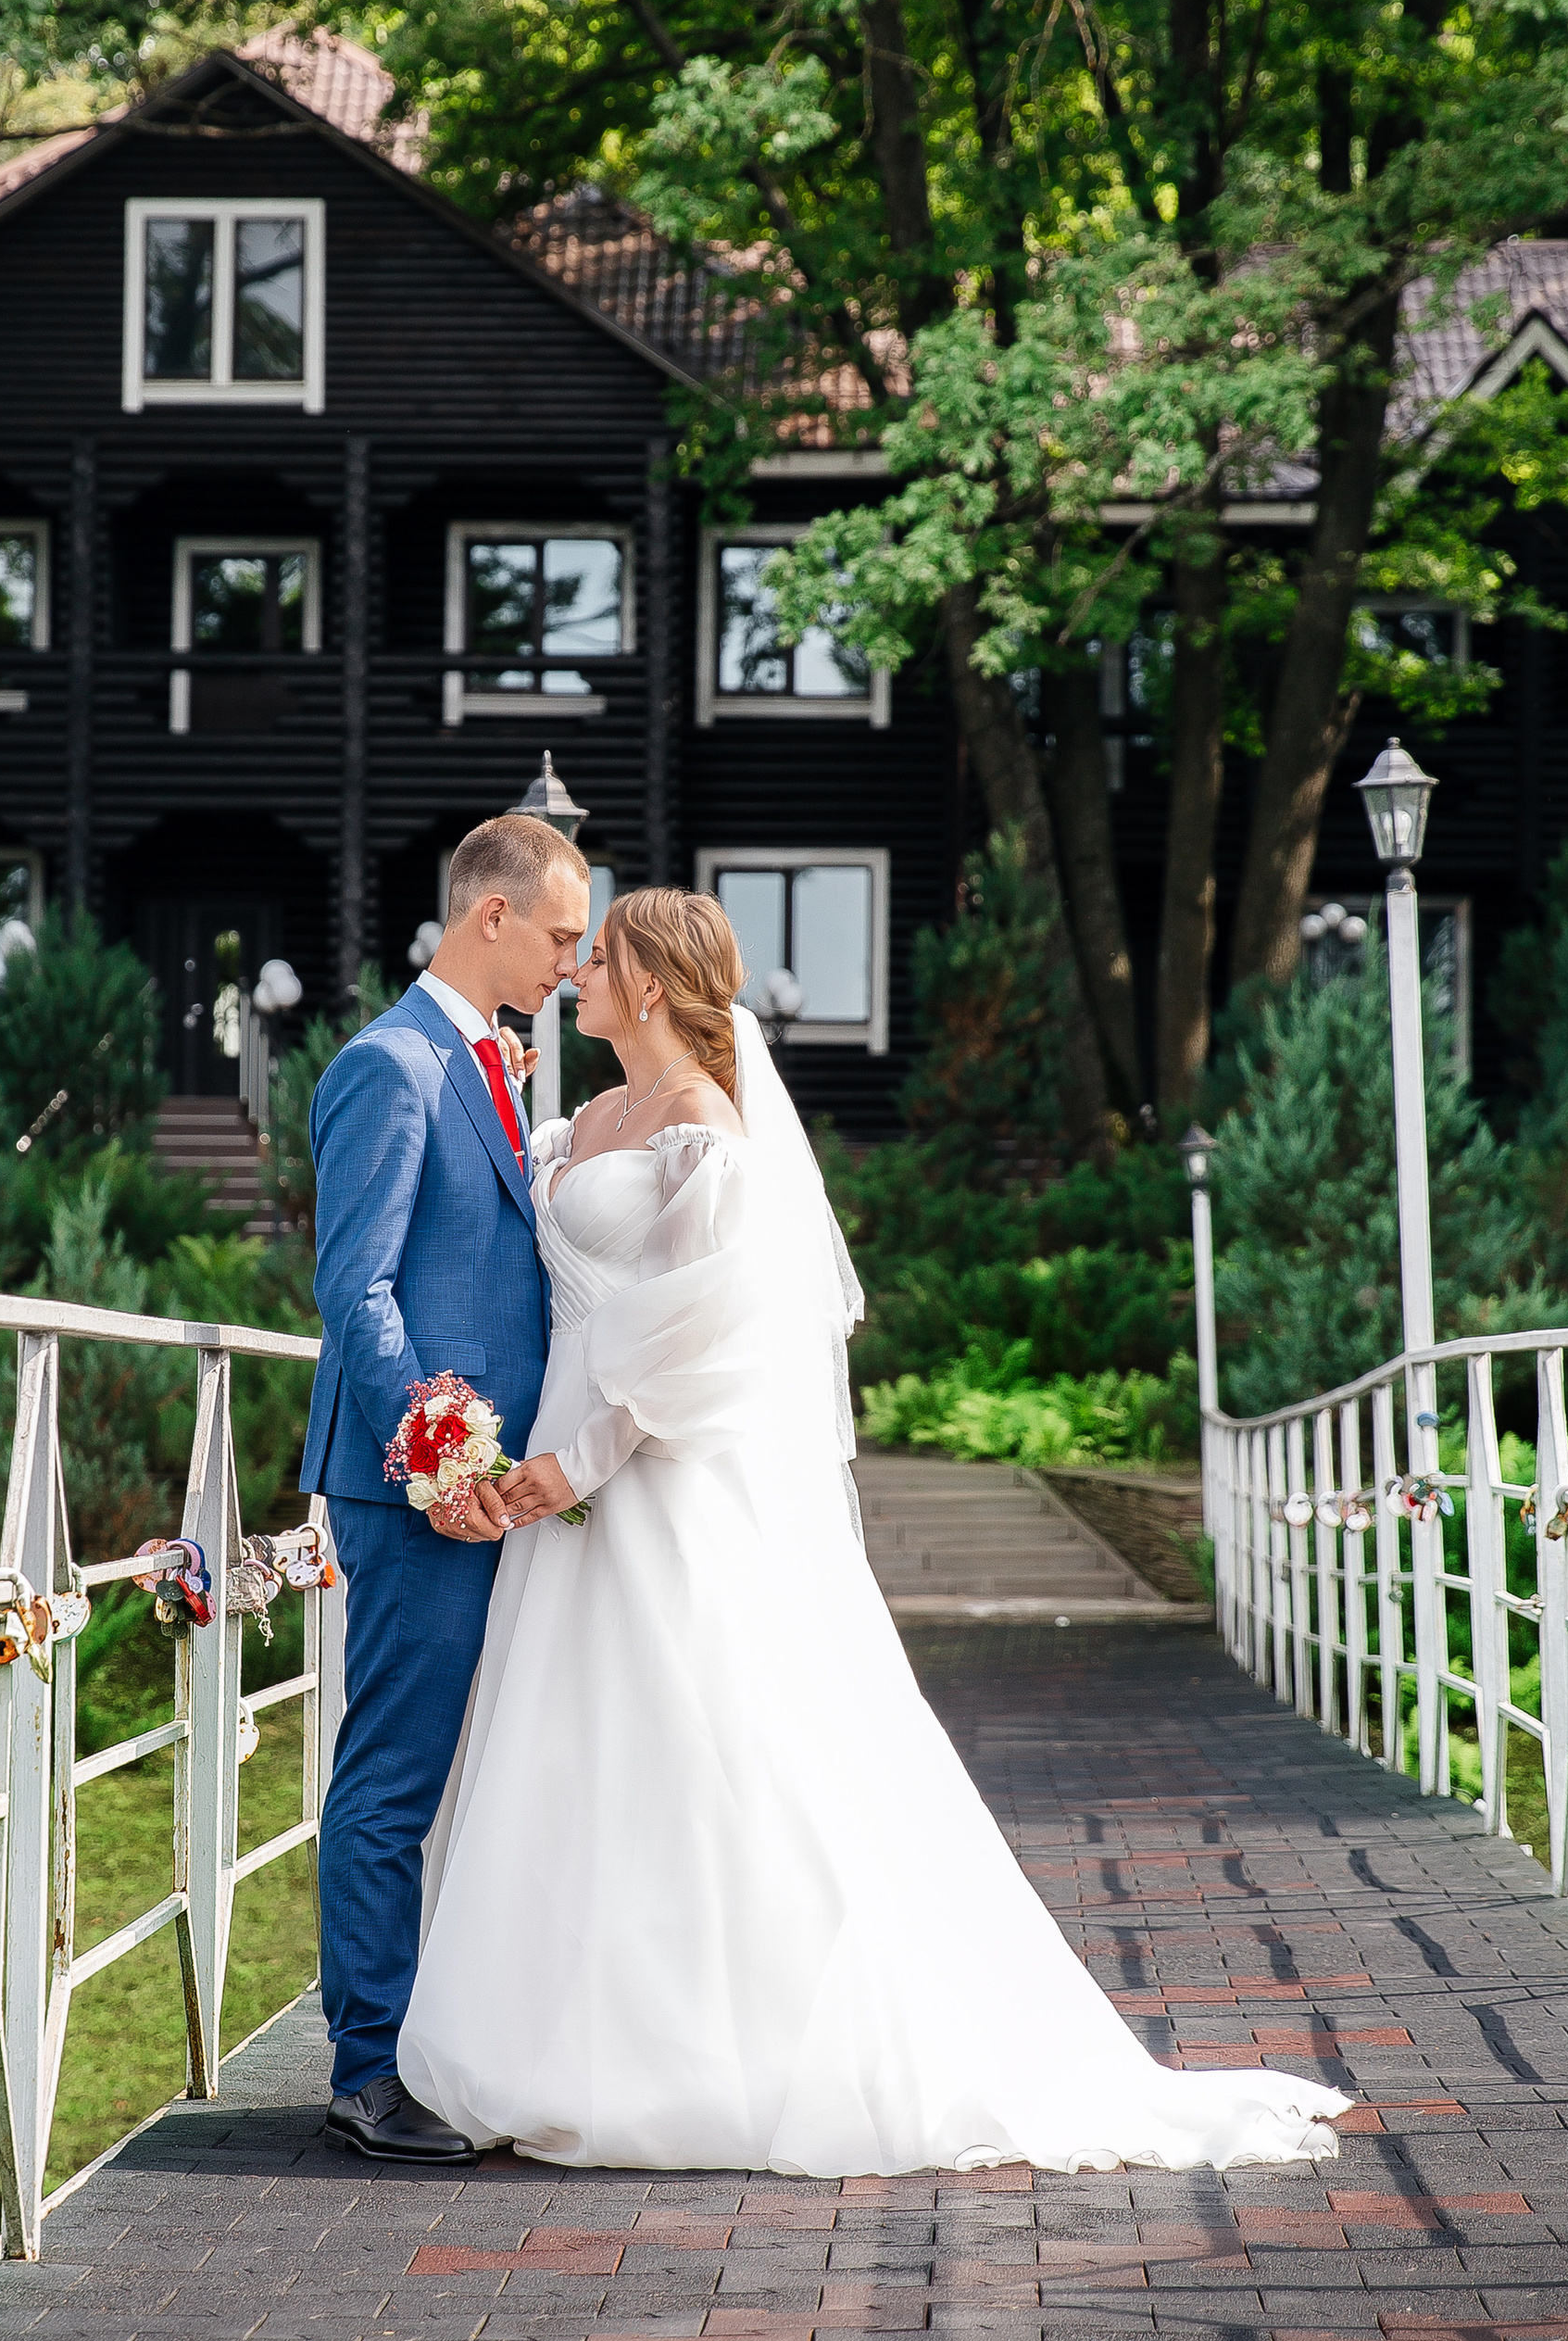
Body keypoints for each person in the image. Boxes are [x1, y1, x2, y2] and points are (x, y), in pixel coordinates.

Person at [397, 886, 1352, 2178]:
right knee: (569, 1748)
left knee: (708, 1748)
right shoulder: (584, 1118)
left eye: (601, 958)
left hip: (655, 1473)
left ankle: (719, 2050)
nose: (580, 975)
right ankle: (568, 2033)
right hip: (558, 1471)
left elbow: (711, 1333)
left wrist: (576, 1464)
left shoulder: (705, 1132)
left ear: (657, 988)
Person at [301, 810, 591, 2164]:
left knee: (475, 1771)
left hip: (494, 1485)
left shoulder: (484, 1062)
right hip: (426, 1485)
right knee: (394, 1774)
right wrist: (438, 1466)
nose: (572, 963)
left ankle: (439, 2041)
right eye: (558, 936)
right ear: (490, 916)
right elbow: (355, 1291)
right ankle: (369, 2073)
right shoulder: (388, 1064)